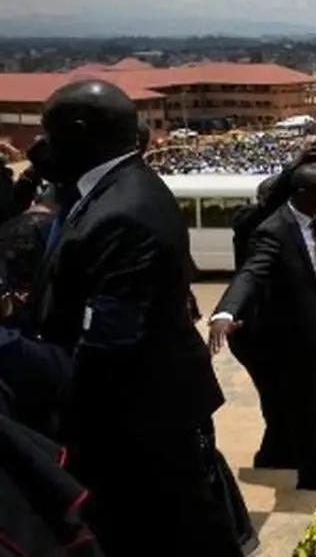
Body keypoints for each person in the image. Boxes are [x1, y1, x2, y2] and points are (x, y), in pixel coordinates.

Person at [28, 79, 238, 554]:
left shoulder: (126, 211)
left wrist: (51, 409)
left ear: (78, 131)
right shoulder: (107, 188)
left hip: (136, 422)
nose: (40, 145)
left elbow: (106, 345)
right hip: (138, 413)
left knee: (164, 533)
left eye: (48, 132)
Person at [210, 164, 316, 491]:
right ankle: (311, 473)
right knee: (300, 401)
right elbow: (251, 273)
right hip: (289, 333)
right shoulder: (273, 230)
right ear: (303, 194)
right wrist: (226, 310)